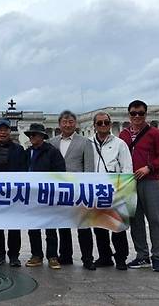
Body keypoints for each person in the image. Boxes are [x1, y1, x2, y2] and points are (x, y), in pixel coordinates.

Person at [120, 100, 159, 272]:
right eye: (134, 113)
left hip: (150, 181)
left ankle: (157, 257)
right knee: (136, 221)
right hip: (130, 182)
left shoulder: (155, 133)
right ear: (129, 115)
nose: (137, 116)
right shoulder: (123, 135)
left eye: (140, 113)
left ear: (145, 114)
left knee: (155, 220)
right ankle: (142, 256)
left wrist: (149, 167)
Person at [49, 110, 96, 270]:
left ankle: (87, 258)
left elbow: (89, 168)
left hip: (78, 189)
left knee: (83, 225)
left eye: (70, 122)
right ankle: (66, 256)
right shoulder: (52, 142)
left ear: (75, 124)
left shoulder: (85, 142)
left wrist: (86, 187)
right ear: (59, 124)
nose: (67, 125)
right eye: (64, 122)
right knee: (63, 225)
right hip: (59, 189)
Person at [90, 111, 133, 271]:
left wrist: (124, 189)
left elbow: (127, 168)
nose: (103, 125)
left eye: (106, 122)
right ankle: (105, 257)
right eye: (99, 123)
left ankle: (121, 258)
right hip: (96, 190)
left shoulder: (119, 144)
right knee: (99, 226)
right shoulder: (89, 144)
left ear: (110, 124)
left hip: (116, 189)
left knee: (117, 227)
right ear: (94, 125)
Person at [0, 119, 27, 267]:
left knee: (14, 226)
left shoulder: (19, 150)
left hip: (13, 193)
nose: (2, 132)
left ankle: (14, 256)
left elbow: (24, 170)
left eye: (5, 130)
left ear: (9, 132)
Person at [24, 123, 66, 270]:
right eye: (30, 135)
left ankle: (52, 256)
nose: (31, 137)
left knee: (51, 227)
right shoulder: (27, 152)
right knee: (33, 226)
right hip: (32, 195)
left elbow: (61, 172)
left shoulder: (52, 152)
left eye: (34, 134)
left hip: (48, 194)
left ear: (42, 136)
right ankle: (36, 254)